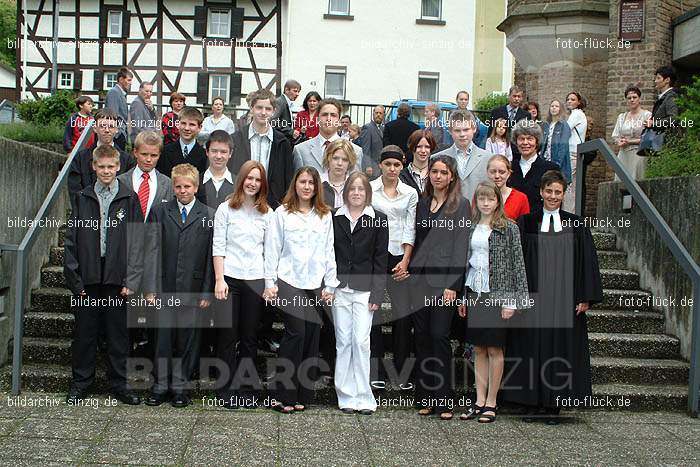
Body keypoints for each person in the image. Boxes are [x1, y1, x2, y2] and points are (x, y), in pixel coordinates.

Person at [502, 170, 603, 425]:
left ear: (564, 193)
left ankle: (554, 405)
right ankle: (530, 403)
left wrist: (585, 297)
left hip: (563, 298)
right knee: (529, 348)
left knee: (559, 351)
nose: (553, 196)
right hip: (533, 294)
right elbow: (515, 260)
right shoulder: (527, 222)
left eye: (558, 192)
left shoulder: (576, 224)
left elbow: (587, 264)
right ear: (541, 192)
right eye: (549, 191)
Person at [64, 144, 144, 405]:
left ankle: (120, 385)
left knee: (118, 335)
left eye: (111, 166)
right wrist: (76, 282)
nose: (107, 171)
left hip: (117, 280)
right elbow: (71, 242)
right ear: (94, 167)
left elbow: (137, 242)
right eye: (102, 166)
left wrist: (131, 280)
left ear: (119, 167)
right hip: (88, 278)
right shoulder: (83, 197)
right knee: (84, 335)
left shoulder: (129, 198)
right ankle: (80, 383)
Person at [264, 167, 339, 413]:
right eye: (302, 182)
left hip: (315, 283)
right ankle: (281, 394)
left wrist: (330, 283)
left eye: (311, 183)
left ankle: (300, 394)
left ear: (317, 187)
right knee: (295, 333)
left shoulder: (324, 215)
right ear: (295, 184)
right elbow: (273, 249)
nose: (306, 186)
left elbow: (329, 251)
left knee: (310, 335)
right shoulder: (282, 213)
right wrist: (269, 282)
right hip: (288, 280)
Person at [144, 163, 215, 408]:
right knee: (162, 337)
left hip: (193, 288)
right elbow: (150, 251)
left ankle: (181, 387)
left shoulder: (208, 215)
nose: (183, 190)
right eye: (178, 186)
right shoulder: (160, 212)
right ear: (172, 187)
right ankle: (160, 384)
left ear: (196, 187)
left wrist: (207, 290)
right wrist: (150, 287)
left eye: (187, 186)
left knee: (188, 338)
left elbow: (210, 256)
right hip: (164, 285)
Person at [457, 181, 529, 423]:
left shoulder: (509, 227)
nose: (485, 203)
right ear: (476, 201)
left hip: (498, 295)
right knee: (478, 348)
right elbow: (465, 263)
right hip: (475, 291)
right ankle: (479, 400)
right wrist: (463, 296)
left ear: (498, 201)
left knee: (495, 348)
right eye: (481, 199)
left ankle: (492, 402)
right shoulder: (470, 226)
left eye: (490, 199)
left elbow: (518, 265)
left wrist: (514, 301)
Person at [409, 154, 470, 420]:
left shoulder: (461, 205)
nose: (438, 176)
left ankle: (444, 399)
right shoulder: (422, 204)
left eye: (443, 172)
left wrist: (453, 286)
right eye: (434, 172)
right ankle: (425, 397)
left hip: (444, 283)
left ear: (452, 177)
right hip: (420, 281)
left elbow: (461, 247)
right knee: (421, 338)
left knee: (439, 337)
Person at [212, 160, 274, 409]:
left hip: (256, 281)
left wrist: (269, 284)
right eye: (250, 178)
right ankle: (225, 389)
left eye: (258, 180)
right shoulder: (225, 209)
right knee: (228, 336)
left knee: (249, 337)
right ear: (242, 180)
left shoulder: (267, 214)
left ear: (263, 184)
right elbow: (218, 247)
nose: (253, 183)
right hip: (230, 280)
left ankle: (246, 388)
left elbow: (270, 253)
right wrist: (219, 279)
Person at [332, 172, 389, 415]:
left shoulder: (378, 219)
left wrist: (377, 294)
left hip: (365, 291)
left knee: (361, 341)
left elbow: (380, 259)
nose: (356, 193)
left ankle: (364, 396)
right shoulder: (335, 217)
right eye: (352, 189)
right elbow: (329, 253)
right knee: (343, 341)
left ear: (368, 193)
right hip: (339, 289)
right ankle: (345, 395)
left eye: (361, 189)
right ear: (346, 192)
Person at [369, 145, 419, 391]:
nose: (392, 169)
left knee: (402, 315)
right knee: (375, 313)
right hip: (376, 258)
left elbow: (411, 227)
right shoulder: (369, 189)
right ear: (380, 165)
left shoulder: (410, 193)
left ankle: (401, 372)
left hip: (400, 257)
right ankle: (376, 371)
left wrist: (406, 260)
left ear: (402, 166)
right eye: (387, 164)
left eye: (397, 165)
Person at [230, 88, 294, 210]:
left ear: (274, 111)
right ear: (251, 108)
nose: (263, 112)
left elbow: (288, 178)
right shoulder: (236, 139)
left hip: (272, 206)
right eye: (259, 107)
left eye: (268, 109)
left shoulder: (283, 142)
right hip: (241, 204)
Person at [67, 109, 135, 204]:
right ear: (95, 128)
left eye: (111, 126)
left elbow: (130, 190)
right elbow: (74, 190)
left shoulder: (127, 160)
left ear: (116, 130)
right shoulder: (80, 158)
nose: (107, 130)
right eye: (102, 126)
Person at [433, 109, 491, 202]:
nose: (462, 134)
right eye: (457, 130)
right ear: (450, 131)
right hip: (447, 214)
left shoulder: (489, 159)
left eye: (466, 130)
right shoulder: (437, 158)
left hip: (477, 213)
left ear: (474, 129)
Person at [293, 98, 364, 174]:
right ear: (317, 119)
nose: (329, 119)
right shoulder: (301, 151)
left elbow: (355, 183)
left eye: (333, 115)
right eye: (324, 115)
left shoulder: (355, 151)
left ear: (339, 121)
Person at [117, 130, 174, 220]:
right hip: (126, 233)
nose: (148, 159)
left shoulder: (168, 184)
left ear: (159, 155)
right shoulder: (120, 181)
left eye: (154, 155)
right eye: (144, 154)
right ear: (135, 152)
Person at [510, 120, 560, 211]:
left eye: (530, 139)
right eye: (521, 138)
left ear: (537, 142)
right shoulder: (509, 168)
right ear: (516, 142)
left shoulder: (551, 169)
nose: (525, 143)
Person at [612, 86, 652, 180]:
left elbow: (648, 137)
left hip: (639, 153)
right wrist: (619, 141)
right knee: (621, 181)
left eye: (634, 97)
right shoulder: (622, 117)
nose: (632, 100)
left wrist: (630, 141)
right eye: (629, 98)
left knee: (637, 180)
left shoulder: (647, 115)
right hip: (623, 153)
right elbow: (616, 135)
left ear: (639, 99)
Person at [156, 107, 207, 178]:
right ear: (178, 124)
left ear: (199, 127)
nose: (186, 128)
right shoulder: (164, 151)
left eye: (192, 124)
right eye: (183, 123)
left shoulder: (205, 156)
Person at [197, 130, 235, 208]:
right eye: (214, 151)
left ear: (230, 153)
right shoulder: (196, 181)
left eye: (223, 152)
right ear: (207, 152)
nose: (218, 156)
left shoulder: (239, 183)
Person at [486, 155, 529, 221]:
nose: (497, 176)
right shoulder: (480, 196)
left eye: (502, 172)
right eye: (493, 172)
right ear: (487, 173)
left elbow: (525, 226)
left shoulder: (521, 198)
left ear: (509, 173)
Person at [565, 91, 587, 212]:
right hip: (573, 152)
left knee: (569, 186)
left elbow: (566, 129)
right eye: (568, 99)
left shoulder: (577, 113)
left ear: (579, 102)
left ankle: (569, 214)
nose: (570, 101)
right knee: (572, 186)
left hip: (572, 152)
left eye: (573, 99)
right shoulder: (575, 114)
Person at [541, 99, 572, 183]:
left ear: (560, 109)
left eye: (556, 106)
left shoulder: (564, 125)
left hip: (558, 162)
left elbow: (563, 145)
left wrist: (557, 163)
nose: (554, 108)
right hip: (546, 160)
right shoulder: (546, 124)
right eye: (552, 106)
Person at [322, 139, 357, 209]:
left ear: (350, 162)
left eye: (345, 159)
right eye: (335, 158)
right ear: (328, 158)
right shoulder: (317, 183)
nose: (339, 163)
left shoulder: (356, 185)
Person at [645, 65, 679, 136]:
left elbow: (673, 118)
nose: (655, 81)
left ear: (667, 80)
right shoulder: (663, 97)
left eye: (658, 78)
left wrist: (654, 123)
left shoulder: (671, 96)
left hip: (666, 140)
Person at [400, 129, 435, 194]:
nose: (423, 150)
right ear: (412, 147)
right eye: (419, 146)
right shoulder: (401, 176)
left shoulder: (437, 174)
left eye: (427, 147)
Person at [104, 66, 132, 149]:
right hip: (116, 136)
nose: (131, 83)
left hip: (120, 134)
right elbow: (112, 115)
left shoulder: (120, 93)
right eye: (129, 80)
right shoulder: (114, 92)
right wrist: (117, 134)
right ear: (121, 80)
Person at [359, 105, 385, 179]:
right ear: (373, 114)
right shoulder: (367, 128)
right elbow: (365, 148)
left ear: (383, 115)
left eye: (380, 113)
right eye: (376, 113)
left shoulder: (383, 129)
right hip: (372, 167)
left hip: (381, 167)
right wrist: (368, 165)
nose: (378, 115)